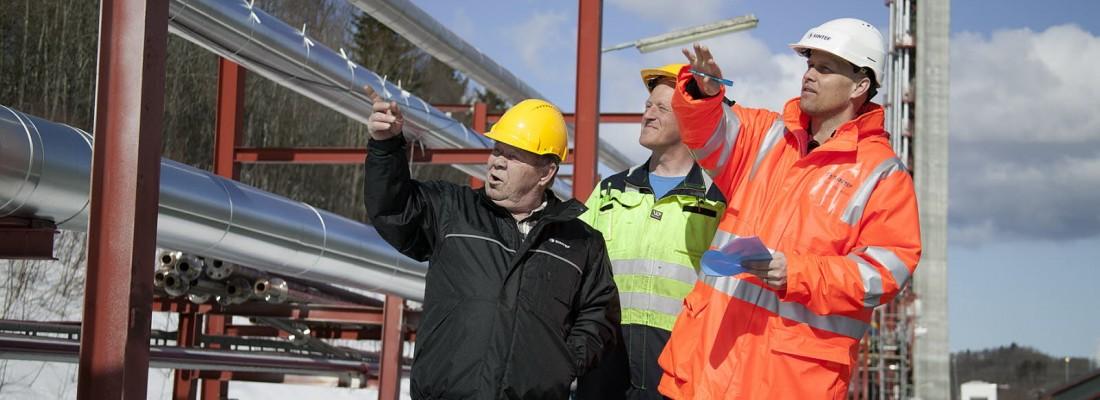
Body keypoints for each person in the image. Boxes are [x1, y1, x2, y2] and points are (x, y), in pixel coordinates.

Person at [657, 18, 922, 399]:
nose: (809, 75)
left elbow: (887, 271)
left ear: (860, 85)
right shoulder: (767, 135)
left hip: (788, 381)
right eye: (809, 64)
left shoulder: (882, 175)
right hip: (704, 370)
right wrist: (704, 93)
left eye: (825, 68)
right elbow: (707, 132)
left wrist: (796, 272)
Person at [363, 87, 620, 399]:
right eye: (497, 150)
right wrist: (386, 147)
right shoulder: (452, 210)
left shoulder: (580, 242)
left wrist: (561, 363)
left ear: (546, 172)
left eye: (512, 156)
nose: (496, 162)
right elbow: (394, 209)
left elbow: (599, 316)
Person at [574, 64, 726, 400]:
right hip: (605, 359)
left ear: (690, 117)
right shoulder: (610, 190)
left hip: (681, 363)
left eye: (661, 108)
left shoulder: (718, 200)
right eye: (647, 106)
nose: (648, 115)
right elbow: (575, 267)